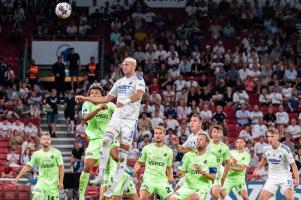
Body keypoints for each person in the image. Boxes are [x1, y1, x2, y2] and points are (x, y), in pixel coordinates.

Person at [75, 57, 145, 197]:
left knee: (116, 155)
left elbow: (138, 95)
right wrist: (85, 98)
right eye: (123, 64)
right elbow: (89, 114)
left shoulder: (139, 80)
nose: (123, 66)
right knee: (89, 164)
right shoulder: (118, 83)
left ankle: (121, 171)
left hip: (129, 121)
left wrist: (125, 101)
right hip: (96, 139)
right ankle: (92, 185)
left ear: (133, 66)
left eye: (126, 64)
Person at [78, 83, 116, 200]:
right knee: (87, 166)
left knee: (114, 162)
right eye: (92, 93)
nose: (94, 94)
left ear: (102, 94)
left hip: (109, 138)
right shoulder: (87, 104)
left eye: (97, 93)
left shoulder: (110, 105)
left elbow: (119, 118)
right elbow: (85, 118)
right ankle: (81, 196)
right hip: (95, 140)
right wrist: (99, 108)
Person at [12, 132, 64, 200]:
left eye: (48, 139)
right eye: (44, 139)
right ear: (41, 141)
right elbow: (27, 166)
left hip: (53, 184)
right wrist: (17, 178)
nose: (46, 140)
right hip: (41, 182)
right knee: (36, 195)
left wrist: (61, 182)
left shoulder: (57, 152)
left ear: (50, 141)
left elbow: (61, 167)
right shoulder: (37, 154)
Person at [253, 128, 299, 200]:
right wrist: (257, 169)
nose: (270, 139)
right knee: (261, 198)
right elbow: (264, 160)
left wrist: (297, 179)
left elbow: (293, 165)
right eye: (268, 136)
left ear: (277, 136)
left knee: (289, 198)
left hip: (285, 177)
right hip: (272, 178)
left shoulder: (285, 149)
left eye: (272, 136)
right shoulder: (266, 149)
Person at [168, 132, 217, 200]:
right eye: (197, 140)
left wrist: (202, 172)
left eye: (201, 140)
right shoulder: (188, 155)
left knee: (192, 198)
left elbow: (213, 177)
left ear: (206, 143)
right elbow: (182, 172)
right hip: (187, 186)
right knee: (172, 198)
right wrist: (179, 174)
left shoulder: (212, 157)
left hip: (202, 187)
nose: (198, 141)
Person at [134, 126, 175, 200]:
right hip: (148, 179)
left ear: (164, 135)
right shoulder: (146, 148)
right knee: (143, 197)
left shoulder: (169, 151)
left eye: (160, 133)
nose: (158, 135)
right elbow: (139, 163)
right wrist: (134, 172)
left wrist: (170, 177)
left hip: (162, 181)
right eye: (156, 133)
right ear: (154, 135)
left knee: (173, 198)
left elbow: (169, 167)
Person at [209, 125, 231, 200]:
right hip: (203, 172)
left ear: (222, 135)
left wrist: (223, 177)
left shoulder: (225, 148)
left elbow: (227, 164)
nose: (215, 134)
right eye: (214, 132)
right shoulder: (206, 143)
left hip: (216, 172)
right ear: (211, 134)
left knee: (215, 194)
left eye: (218, 133)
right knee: (218, 193)